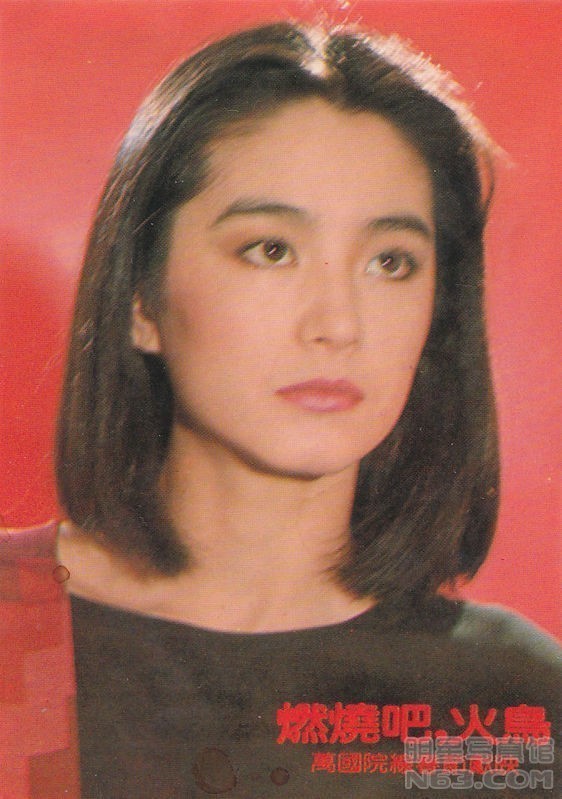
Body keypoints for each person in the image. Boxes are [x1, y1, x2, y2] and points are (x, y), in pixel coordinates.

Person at [2, 20, 560, 798]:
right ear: (140, 299)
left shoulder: (510, 701)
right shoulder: (10, 623)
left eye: (390, 262)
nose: (337, 323)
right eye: (270, 249)